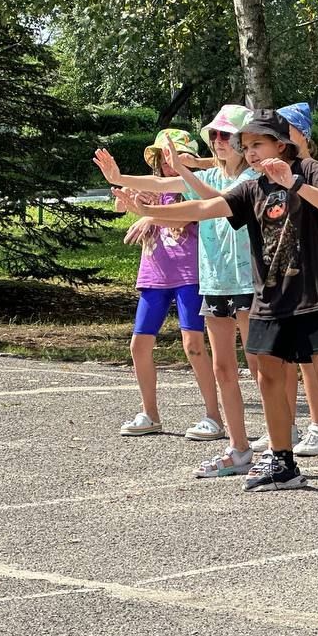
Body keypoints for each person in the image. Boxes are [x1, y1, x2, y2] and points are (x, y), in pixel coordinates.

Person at [116, 110, 318, 501]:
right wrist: (147, 211)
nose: (251, 152)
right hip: (270, 299)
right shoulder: (251, 188)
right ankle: (283, 463)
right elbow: (203, 208)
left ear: (281, 144)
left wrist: (293, 183)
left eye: (258, 144)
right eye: (246, 146)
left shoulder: (308, 170)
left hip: (316, 296)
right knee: (268, 378)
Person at [95, 109, 261, 476]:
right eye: (214, 135)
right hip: (215, 281)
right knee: (223, 368)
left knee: (259, 364)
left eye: (225, 135)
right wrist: (121, 181)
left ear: (243, 140)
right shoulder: (208, 175)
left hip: (247, 280)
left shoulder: (254, 177)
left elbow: (208, 204)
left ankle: (281, 436)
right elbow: (163, 187)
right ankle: (238, 448)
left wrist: (156, 204)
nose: (218, 141)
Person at [97, 129, 222, 440]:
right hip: (154, 275)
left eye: (174, 156)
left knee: (194, 346)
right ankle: (149, 414)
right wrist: (131, 201)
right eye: (163, 157)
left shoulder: (194, 186)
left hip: (189, 275)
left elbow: (180, 220)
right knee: (139, 345)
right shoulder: (156, 185)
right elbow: (120, 206)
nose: (168, 163)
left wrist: (149, 215)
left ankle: (213, 416)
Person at [277, 101, 318, 458]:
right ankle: (286, 426)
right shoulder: (275, 171)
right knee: (285, 358)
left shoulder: (311, 169)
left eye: (284, 129)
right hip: (284, 277)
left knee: (310, 361)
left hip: (310, 278)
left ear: (300, 134)